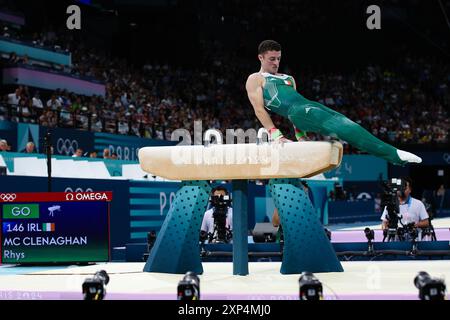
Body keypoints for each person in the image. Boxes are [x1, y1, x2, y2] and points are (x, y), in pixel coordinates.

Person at [245, 40, 422, 166]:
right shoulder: (255, 79)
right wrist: (276, 135)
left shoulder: (288, 78)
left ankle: (393, 156)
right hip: (298, 111)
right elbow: (259, 110)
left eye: (278, 58)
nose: (276, 62)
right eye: (272, 59)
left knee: (347, 124)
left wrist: (300, 136)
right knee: (343, 128)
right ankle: (394, 154)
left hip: (308, 107)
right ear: (260, 57)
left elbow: (297, 105)